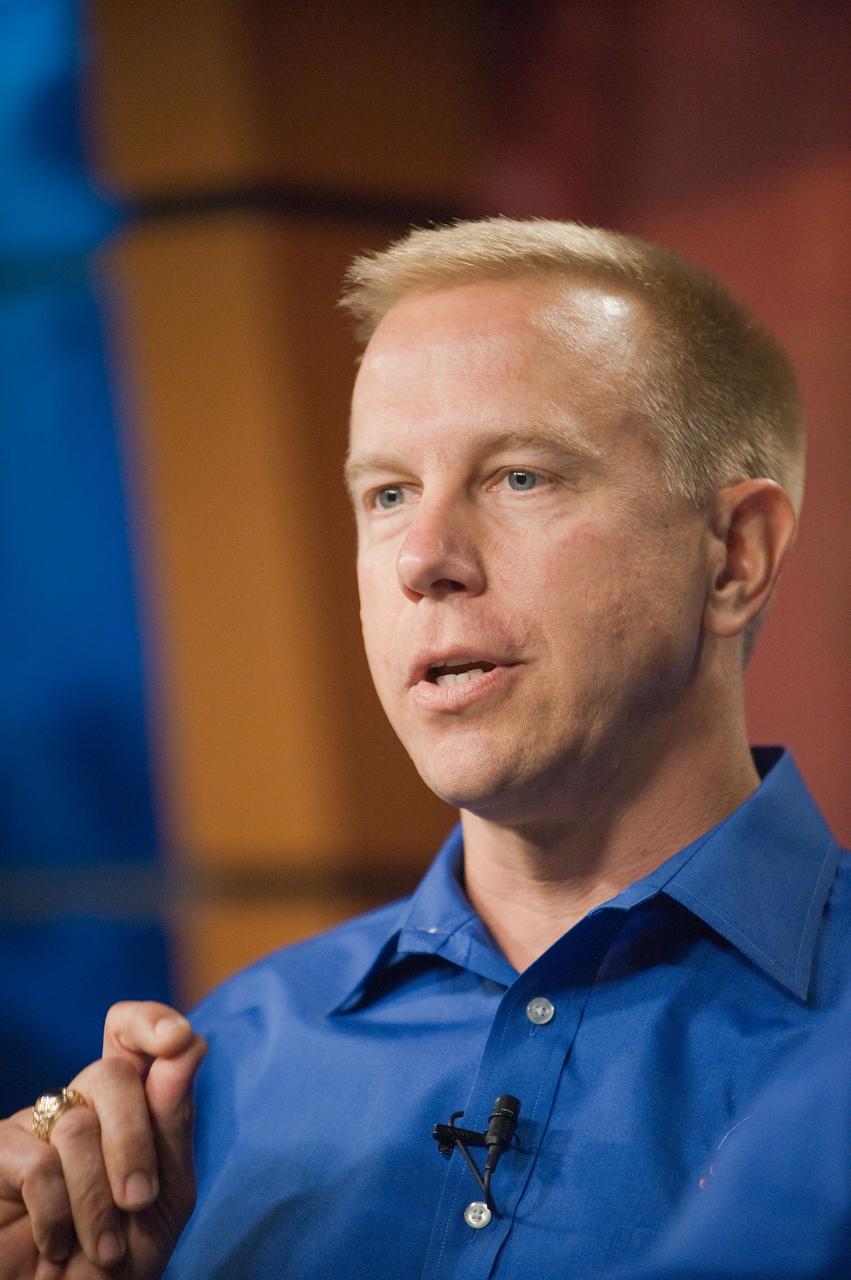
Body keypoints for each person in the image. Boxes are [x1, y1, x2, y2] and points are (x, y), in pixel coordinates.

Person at [1, 218, 848, 1279]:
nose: (423, 558)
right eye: (387, 492)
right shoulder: (219, 1072)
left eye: (518, 477)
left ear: (733, 554)